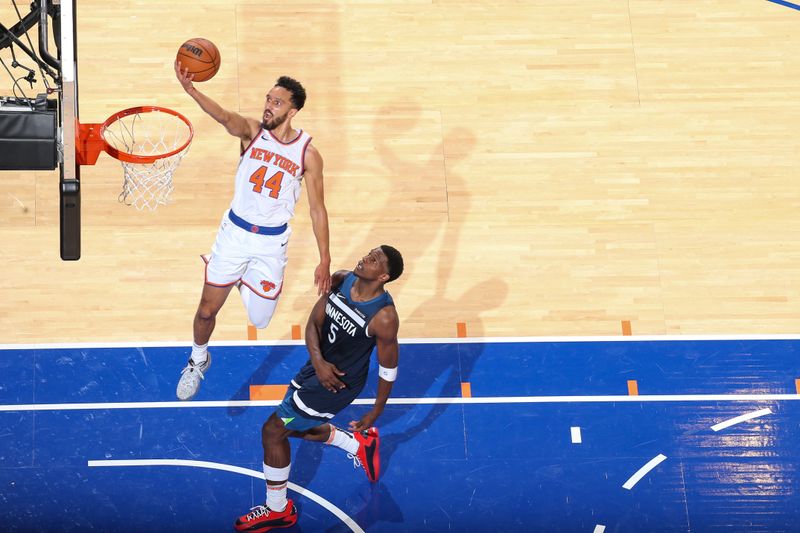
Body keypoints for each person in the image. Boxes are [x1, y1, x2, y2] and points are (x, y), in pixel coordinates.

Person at [173, 63, 331, 401]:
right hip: (234, 236)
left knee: (260, 321)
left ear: (294, 109)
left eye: (277, 102)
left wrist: (325, 259)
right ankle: (197, 360)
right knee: (205, 310)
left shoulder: (308, 154)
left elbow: (317, 209)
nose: (268, 106)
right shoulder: (252, 132)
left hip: (271, 244)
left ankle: (242, 278)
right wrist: (192, 91)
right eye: (267, 99)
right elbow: (224, 116)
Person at [234, 245, 403, 532]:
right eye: (369, 252)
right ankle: (358, 444)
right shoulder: (341, 279)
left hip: (337, 384)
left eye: (375, 259)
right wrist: (319, 362)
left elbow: (388, 369)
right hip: (316, 368)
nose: (365, 257)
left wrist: (376, 411)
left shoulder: (383, 317)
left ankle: (278, 510)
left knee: (274, 430)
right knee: (294, 427)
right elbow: (313, 323)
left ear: (384, 275)